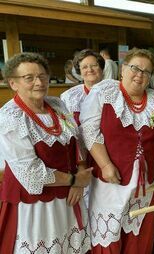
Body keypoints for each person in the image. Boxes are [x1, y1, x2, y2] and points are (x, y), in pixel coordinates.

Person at [79, 48, 154, 253]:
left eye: (146, 71)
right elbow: (89, 131)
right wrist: (105, 164)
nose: (140, 74)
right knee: (109, 236)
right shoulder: (104, 92)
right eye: (135, 68)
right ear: (122, 69)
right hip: (111, 182)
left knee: (139, 238)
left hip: (145, 185)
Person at [0, 52, 93, 253]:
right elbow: (31, 174)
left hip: (67, 197)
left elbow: (75, 141)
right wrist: (74, 180)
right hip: (35, 205)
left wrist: (79, 175)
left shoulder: (57, 105)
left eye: (43, 76)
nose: (39, 82)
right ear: (13, 83)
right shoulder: (11, 117)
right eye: (29, 78)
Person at [61, 49, 105, 125]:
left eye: (94, 65)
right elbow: (66, 126)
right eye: (84, 67)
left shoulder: (113, 93)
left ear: (101, 69)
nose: (90, 70)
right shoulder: (69, 97)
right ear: (80, 72)